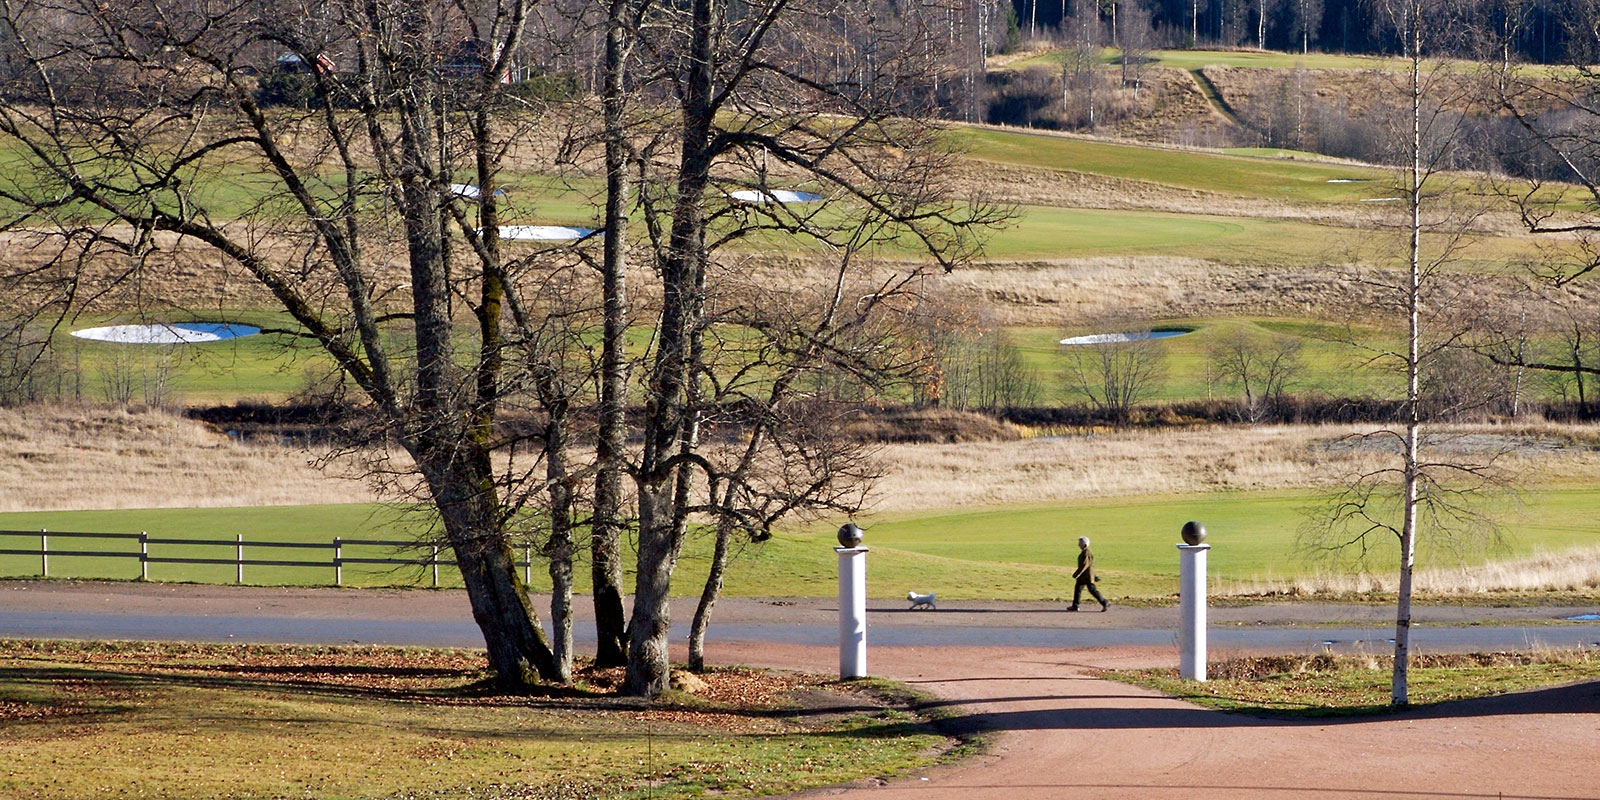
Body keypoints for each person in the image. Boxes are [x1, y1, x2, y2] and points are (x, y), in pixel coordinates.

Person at [1067, 536, 1108, 612]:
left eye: (1080, 543)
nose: (1078, 545)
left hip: (1086, 576)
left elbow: (1084, 565)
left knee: (1092, 590)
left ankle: (1104, 602)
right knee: (1078, 589)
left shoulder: (1086, 553)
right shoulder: (1085, 552)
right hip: (1085, 576)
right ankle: (1075, 605)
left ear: (1084, 544)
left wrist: (1076, 574)